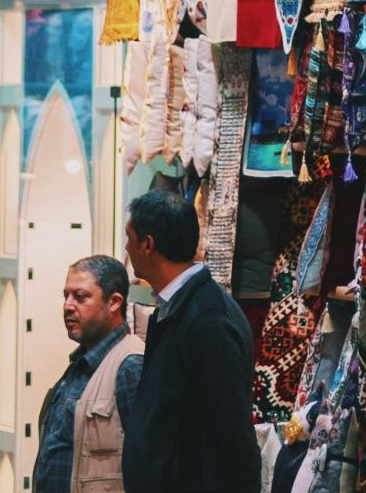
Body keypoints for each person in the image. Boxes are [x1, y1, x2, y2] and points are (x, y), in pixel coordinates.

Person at [121, 189, 260, 493]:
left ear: (147, 245)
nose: (126, 247)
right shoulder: (181, 308)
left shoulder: (207, 320)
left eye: (129, 238)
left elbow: (234, 435)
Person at [34, 254, 144, 493]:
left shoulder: (129, 365)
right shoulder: (81, 364)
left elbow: (150, 462)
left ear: (114, 302)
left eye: (80, 297)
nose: (68, 306)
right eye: (66, 296)